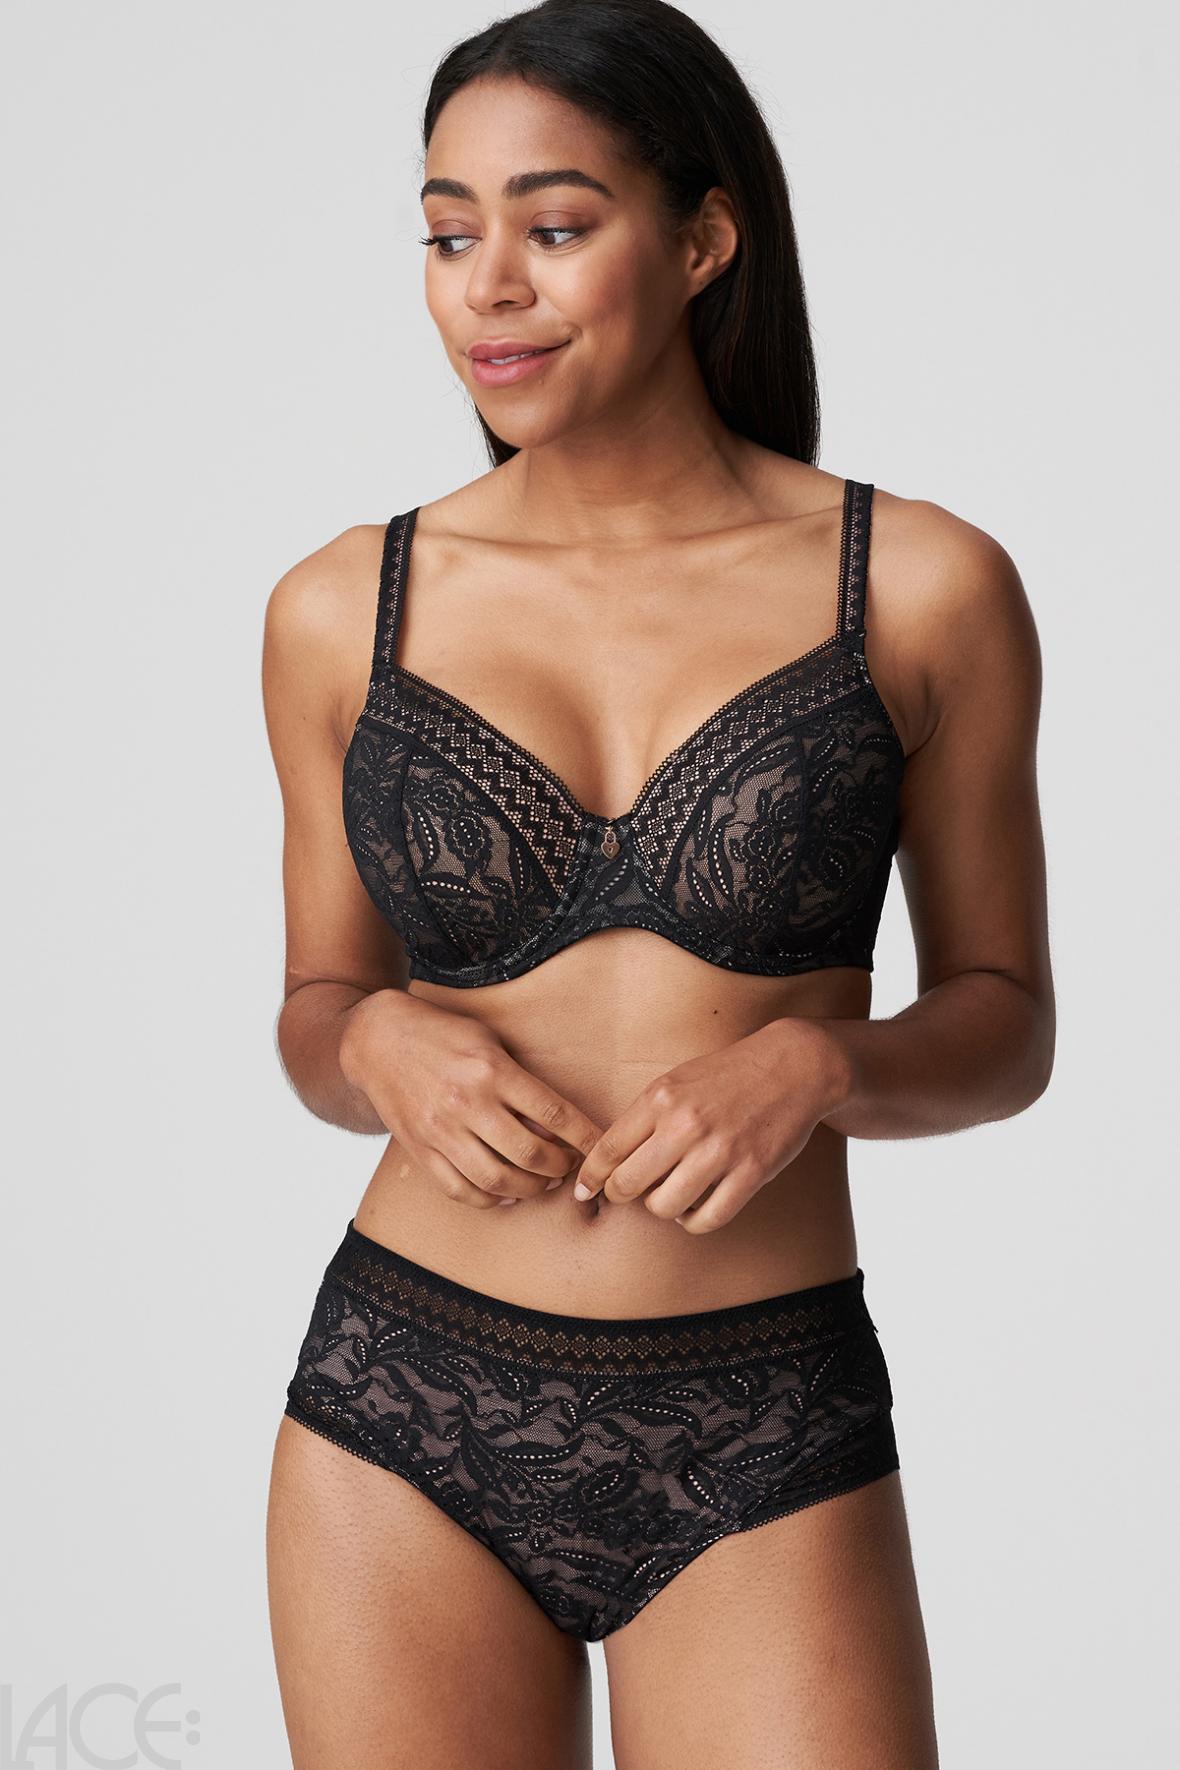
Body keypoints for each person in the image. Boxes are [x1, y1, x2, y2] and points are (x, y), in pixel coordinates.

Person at [261, 3, 1054, 1765]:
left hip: (764, 1414)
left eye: (553, 226)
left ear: (702, 241)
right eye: (448, 236)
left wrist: (822, 1063)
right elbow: (315, 1008)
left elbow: (1008, 1021)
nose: (490, 287)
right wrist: (375, 1040)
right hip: (405, 1399)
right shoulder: (340, 609)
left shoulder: (917, 588)